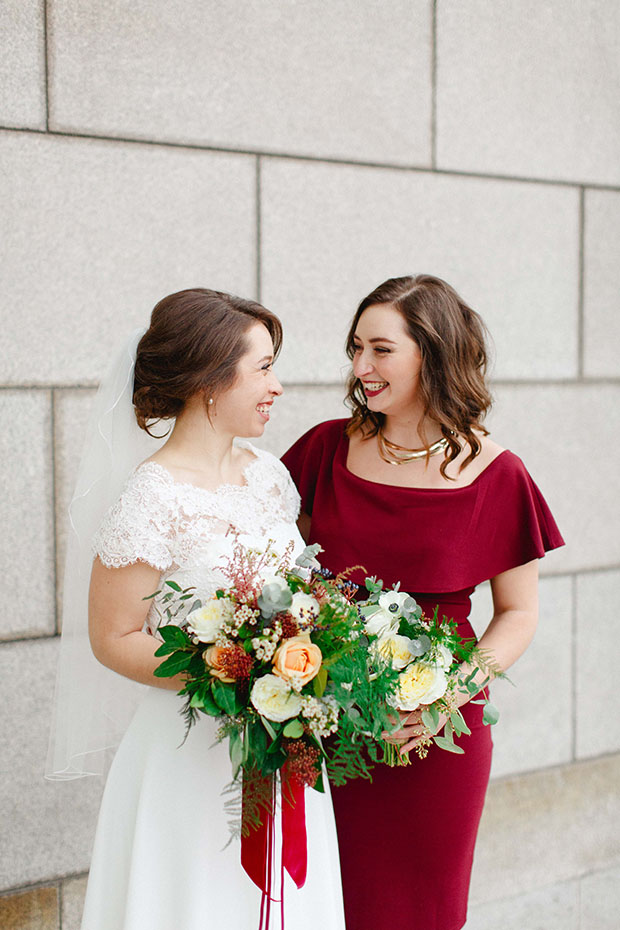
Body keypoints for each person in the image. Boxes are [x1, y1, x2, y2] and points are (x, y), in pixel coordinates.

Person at [46, 288, 345, 930]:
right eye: (263, 367)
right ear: (211, 378)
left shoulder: (270, 476)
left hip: (285, 751)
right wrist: (234, 672)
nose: (278, 386)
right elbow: (113, 636)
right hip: (187, 758)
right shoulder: (151, 496)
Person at [282, 274, 564, 930]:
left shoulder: (498, 474)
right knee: (322, 906)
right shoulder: (325, 450)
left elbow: (518, 612)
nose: (360, 367)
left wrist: (446, 698)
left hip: (430, 736)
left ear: (432, 355)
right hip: (323, 724)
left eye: (380, 349)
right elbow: (278, 569)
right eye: (356, 348)